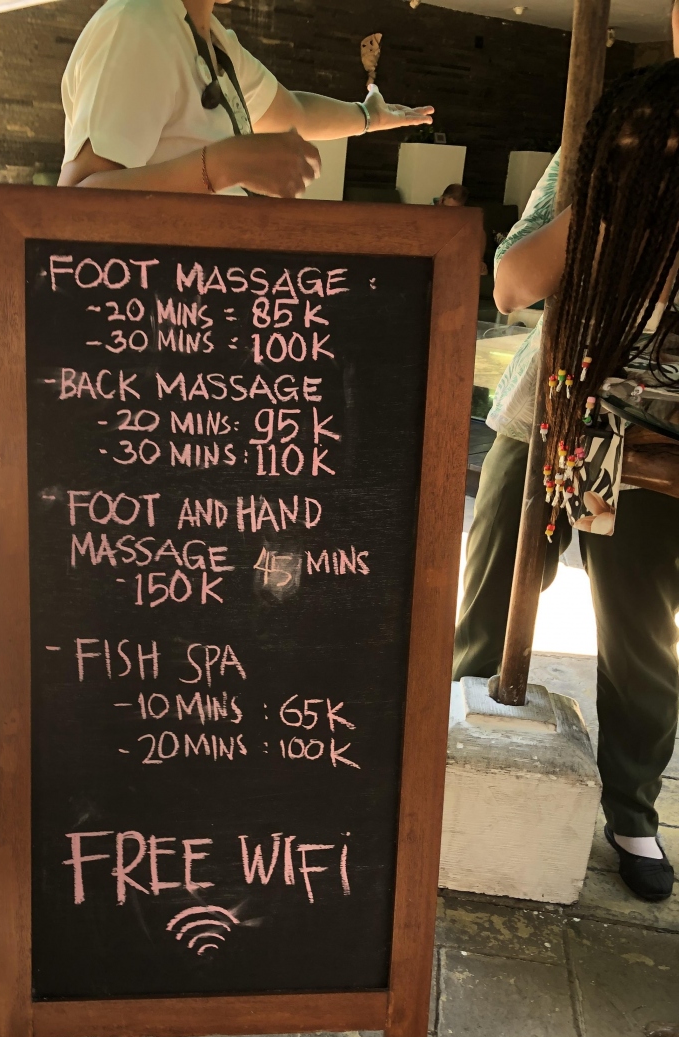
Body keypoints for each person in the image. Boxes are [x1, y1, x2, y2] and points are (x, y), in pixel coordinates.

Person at [454, 60, 679, 903]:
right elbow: (513, 285)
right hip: (546, 412)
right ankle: (453, 758)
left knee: (641, 640)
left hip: (657, 446)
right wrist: (612, 192)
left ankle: (632, 812)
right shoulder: (591, 155)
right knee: (487, 604)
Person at [58, 0, 433, 197]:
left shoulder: (215, 41)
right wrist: (224, 164)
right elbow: (76, 204)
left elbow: (295, 113)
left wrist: (368, 116)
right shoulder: (138, 23)